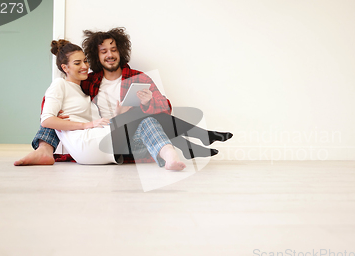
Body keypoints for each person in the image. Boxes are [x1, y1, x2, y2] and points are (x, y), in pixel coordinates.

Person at [14, 28, 232, 167]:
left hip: (134, 138)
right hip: (103, 136)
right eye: (103, 51)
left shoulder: (138, 77)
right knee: (56, 113)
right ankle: (197, 140)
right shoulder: (88, 81)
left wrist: (148, 103)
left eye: (114, 49)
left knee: (143, 115)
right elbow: (54, 105)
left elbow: (165, 108)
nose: (110, 54)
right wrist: (63, 119)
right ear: (96, 56)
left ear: (121, 51)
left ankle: (192, 144)